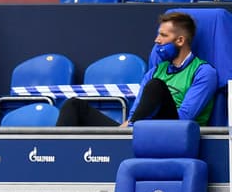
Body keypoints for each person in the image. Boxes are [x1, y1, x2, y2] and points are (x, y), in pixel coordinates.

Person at [57, 11, 218, 127]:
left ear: (180, 40)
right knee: (73, 105)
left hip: (173, 133)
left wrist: (134, 126)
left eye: (163, 35)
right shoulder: (155, 71)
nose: (157, 40)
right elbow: (135, 114)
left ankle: (129, 138)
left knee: (156, 86)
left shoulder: (203, 72)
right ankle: (54, 159)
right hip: (138, 130)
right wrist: (124, 129)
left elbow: (184, 118)